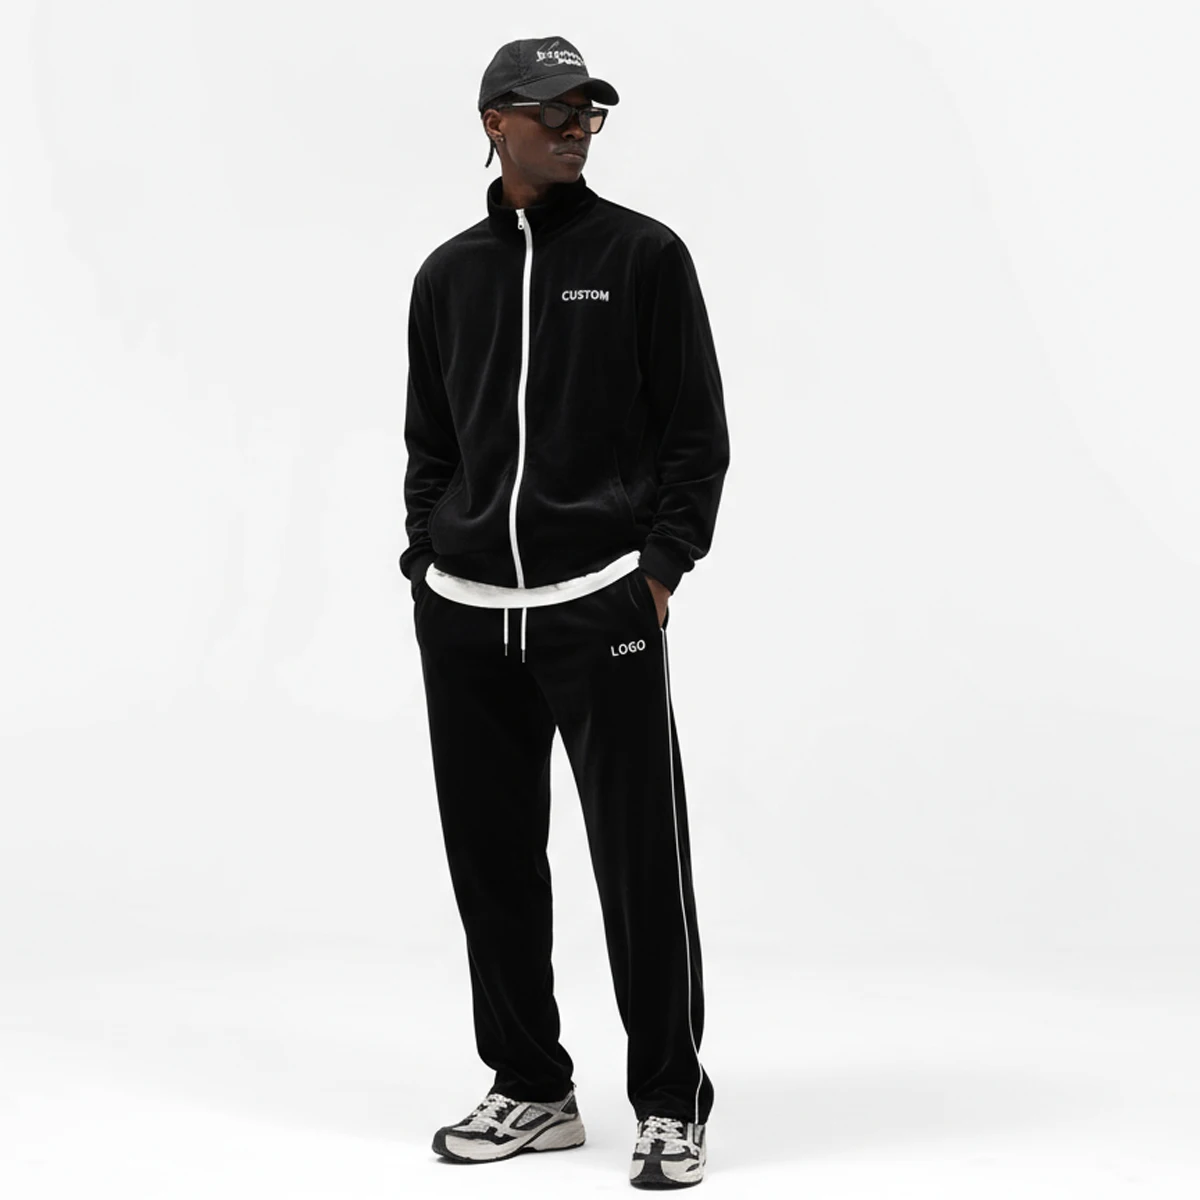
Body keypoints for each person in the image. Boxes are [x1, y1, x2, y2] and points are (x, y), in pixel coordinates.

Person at [399, 34, 730, 1189]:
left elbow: (695, 434)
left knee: (641, 866)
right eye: (551, 110)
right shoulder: (448, 276)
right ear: (496, 121)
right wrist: (426, 560)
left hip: (600, 604)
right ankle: (533, 1088)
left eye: (589, 109)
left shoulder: (643, 256)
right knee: (491, 864)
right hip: (466, 614)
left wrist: (661, 567)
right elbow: (431, 443)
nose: (575, 127)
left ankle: (669, 1104)